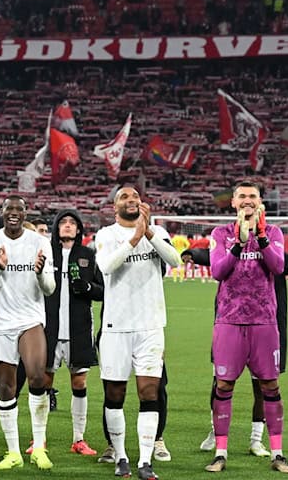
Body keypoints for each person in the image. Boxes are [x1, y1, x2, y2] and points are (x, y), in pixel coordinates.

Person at [186, 243, 288, 455]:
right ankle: (214, 431)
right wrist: (194, 254)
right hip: (230, 325)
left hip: (266, 328)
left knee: (263, 385)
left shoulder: (275, 259)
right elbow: (214, 257)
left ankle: (256, 439)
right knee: (221, 382)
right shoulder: (234, 250)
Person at [205, 181, 288, 474]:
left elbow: (278, 266)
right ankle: (220, 453)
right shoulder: (220, 234)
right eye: (242, 196)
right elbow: (218, 271)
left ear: (260, 202)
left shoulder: (273, 233)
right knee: (223, 385)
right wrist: (239, 243)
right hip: (229, 321)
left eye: (252, 196)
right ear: (233, 202)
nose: (247, 201)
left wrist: (258, 236)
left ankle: (278, 454)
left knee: (270, 385)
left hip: (264, 321)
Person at [92, 187, 180, 480]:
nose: (131, 200)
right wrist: (134, 238)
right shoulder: (106, 234)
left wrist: (149, 234)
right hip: (116, 327)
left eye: (135, 197)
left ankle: (144, 461)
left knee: (149, 392)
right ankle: (121, 457)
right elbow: (106, 266)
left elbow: (175, 260)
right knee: (114, 393)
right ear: (114, 206)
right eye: (124, 197)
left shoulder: (158, 231)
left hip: (151, 326)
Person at [0, 195, 56, 471]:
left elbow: (50, 288)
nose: (14, 213)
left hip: (30, 319)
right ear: (2, 212)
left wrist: (42, 272)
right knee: (6, 387)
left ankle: (39, 447)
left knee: (37, 375)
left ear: (25, 213)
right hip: (0, 323)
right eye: (10, 208)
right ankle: (13, 452)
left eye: (19, 209)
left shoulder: (40, 242)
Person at [44, 210, 103, 457]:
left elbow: (103, 291)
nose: (68, 226)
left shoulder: (88, 255)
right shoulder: (47, 254)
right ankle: (40, 439)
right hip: (48, 330)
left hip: (79, 330)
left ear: (79, 230)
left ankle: (79, 439)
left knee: (79, 382)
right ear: (57, 228)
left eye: (72, 223)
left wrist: (88, 287)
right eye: (63, 223)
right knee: (44, 382)